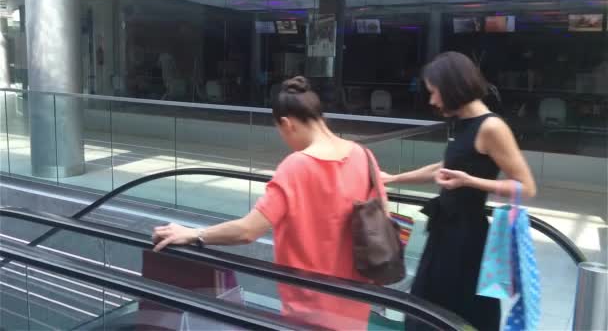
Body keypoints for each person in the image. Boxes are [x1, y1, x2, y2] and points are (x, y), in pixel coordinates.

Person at [152, 76, 387, 330]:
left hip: (308, 312)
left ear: (287, 124)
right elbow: (382, 218)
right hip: (355, 308)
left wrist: (194, 234)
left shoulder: (296, 166)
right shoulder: (364, 156)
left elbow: (248, 231)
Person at [381, 52, 536, 331]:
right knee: (429, 306)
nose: (432, 101)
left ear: (452, 88)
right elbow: (443, 168)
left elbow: (526, 187)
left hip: (466, 237)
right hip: (446, 231)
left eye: (435, 92)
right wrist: (393, 178)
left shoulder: (492, 127)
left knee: (454, 309)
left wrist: (471, 182)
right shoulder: (464, 124)